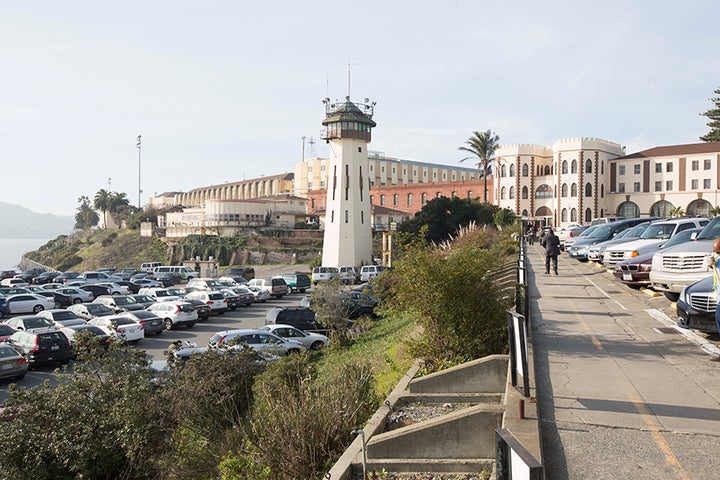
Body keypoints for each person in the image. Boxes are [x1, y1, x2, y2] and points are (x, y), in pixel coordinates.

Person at [712, 238, 720, 360]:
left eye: (718, 252)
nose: (716, 254)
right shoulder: (717, 260)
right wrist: (712, 264)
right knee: (718, 319)